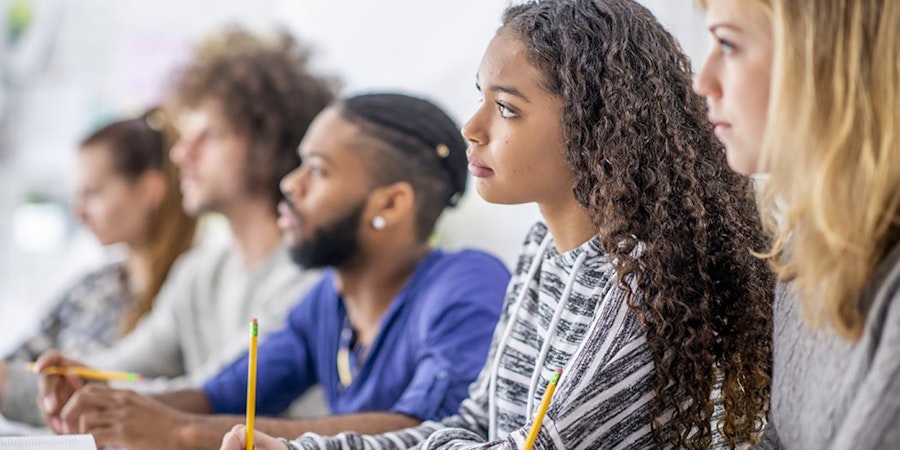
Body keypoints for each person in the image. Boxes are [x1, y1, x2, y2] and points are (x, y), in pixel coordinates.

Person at [224, 1, 775, 449]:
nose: (471, 127)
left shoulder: (642, 283)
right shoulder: (542, 248)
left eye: (507, 108)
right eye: (479, 98)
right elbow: (475, 422)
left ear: (593, 126)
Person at [37, 92, 511, 450]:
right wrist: (106, 400)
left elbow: (429, 433)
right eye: (299, 164)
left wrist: (181, 433)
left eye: (317, 171)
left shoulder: (466, 283)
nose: (290, 183)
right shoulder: (327, 303)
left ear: (390, 204)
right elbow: (222, 395)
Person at [34, 26, 335, 430]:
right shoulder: (198, 273)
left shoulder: (309, 280)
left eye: (208, 136)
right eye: (186, 135)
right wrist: (63, 382)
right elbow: (119, 368)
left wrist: (88, 393)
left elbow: (215, 392)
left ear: (266, 146)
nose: (180, 154)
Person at [694, 0, 900, 448]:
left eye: (727, 44)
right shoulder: (804, 240)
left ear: (825, 56)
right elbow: (781, 437)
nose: (702, 81)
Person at [0, 108, 197, 425]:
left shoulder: (192, 289)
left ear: (150, 190)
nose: (79, 213)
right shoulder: (92, 286)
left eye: (92, 193)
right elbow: (17, 360)